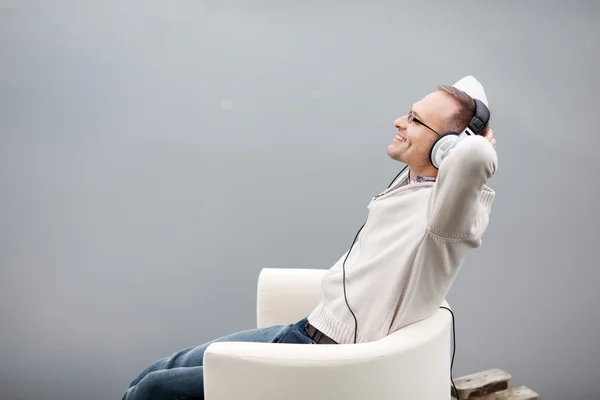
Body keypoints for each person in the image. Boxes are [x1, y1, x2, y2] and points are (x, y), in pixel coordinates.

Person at [121, 75, 498, 400]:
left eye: (415, 120)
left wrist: (473, 142)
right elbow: (470, 87)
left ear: (448, 149)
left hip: (323, 358)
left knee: (154, 391)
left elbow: (475, 158)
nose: (399, 121)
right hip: (307, 328)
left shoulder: (446, 217)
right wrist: (463, 127)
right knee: (156, 371)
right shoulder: (417, 179)